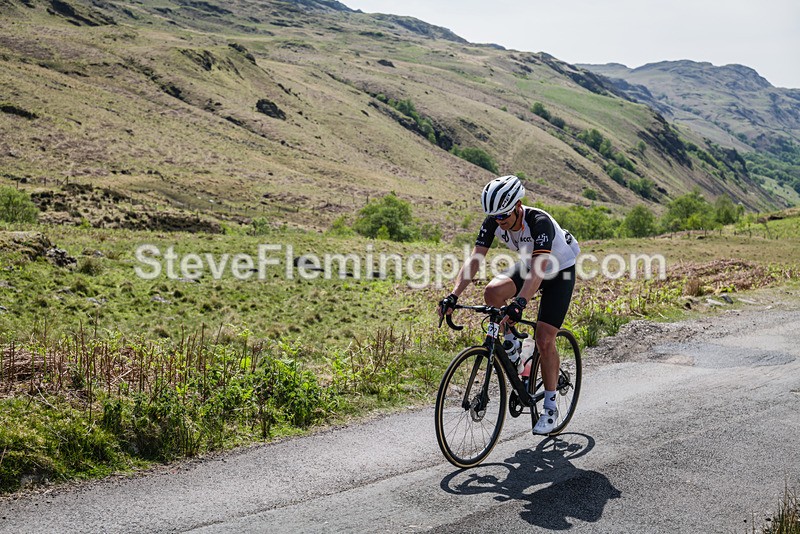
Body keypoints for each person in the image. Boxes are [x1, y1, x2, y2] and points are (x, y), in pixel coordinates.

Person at [438, 175, 580, 435]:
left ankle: (550, 407)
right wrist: (454, 295)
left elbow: (539, 272)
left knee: (544, 339)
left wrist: (520, 303)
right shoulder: (494, 220)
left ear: (518, 205)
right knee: (492, 293)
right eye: (495, 218)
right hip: (532, 264)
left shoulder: (539, 223)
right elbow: (475, 260)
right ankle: (514, 345)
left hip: (560, 271)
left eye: (504, 216)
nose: (499, 221)